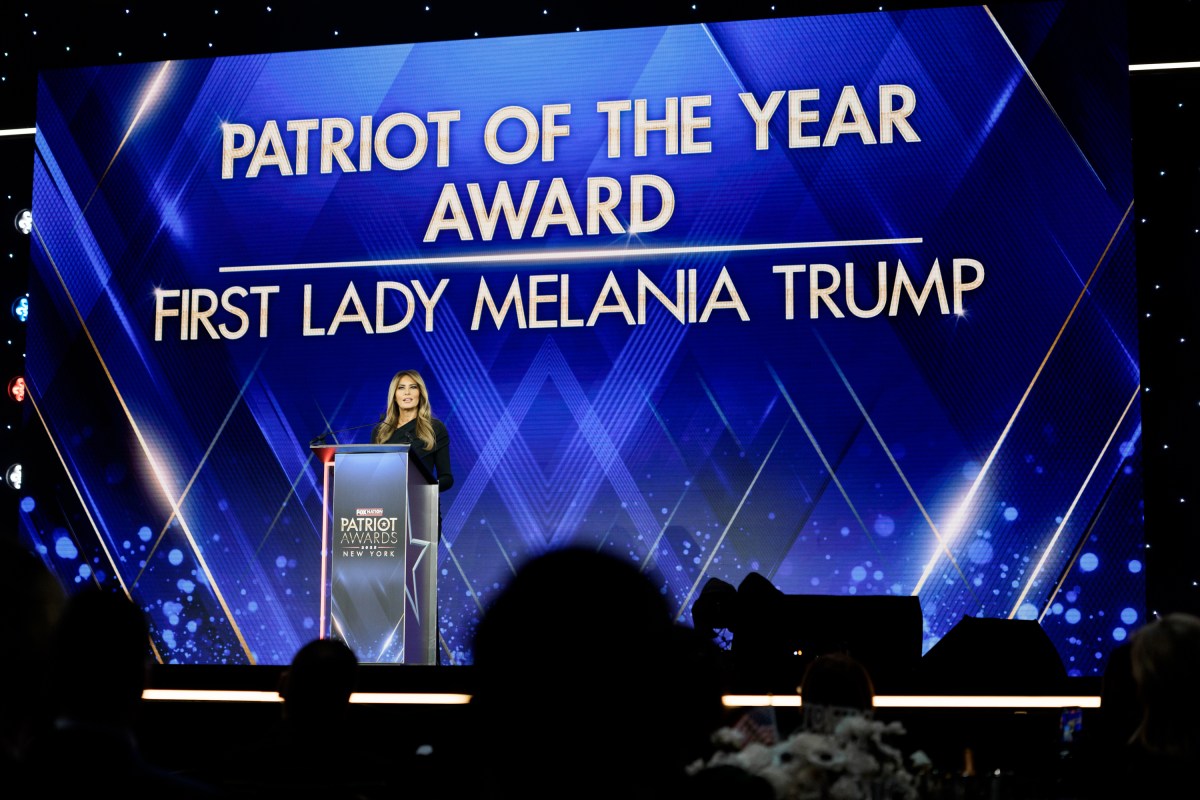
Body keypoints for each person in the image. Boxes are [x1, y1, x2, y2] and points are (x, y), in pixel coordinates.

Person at [371, 369, 453, 495]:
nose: (407, 392)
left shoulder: (435, 428)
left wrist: (425, 488)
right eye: (401, 388)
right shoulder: (380, 432)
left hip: (422, 504)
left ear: (420, 393)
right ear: (394, 395)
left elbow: (446, 478)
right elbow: (373, 474)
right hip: (387, 505)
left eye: (413, 387)